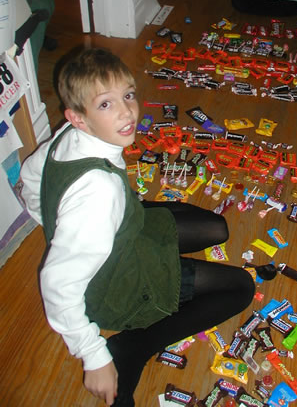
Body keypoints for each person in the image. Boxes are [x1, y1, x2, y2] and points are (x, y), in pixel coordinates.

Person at [20, 47, 255, 407]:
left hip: (127, 229)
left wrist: (55, 225)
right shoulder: (99, 193)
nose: (126, 112)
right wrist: (93, 355)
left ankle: (127, 232)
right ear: (78, 117)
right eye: (106, 104)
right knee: (241, 286)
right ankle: (137, 345)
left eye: (128, 95)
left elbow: (30, 176)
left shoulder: (67, 133)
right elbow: (57, 284)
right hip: (119, 286)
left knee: (216, 228)